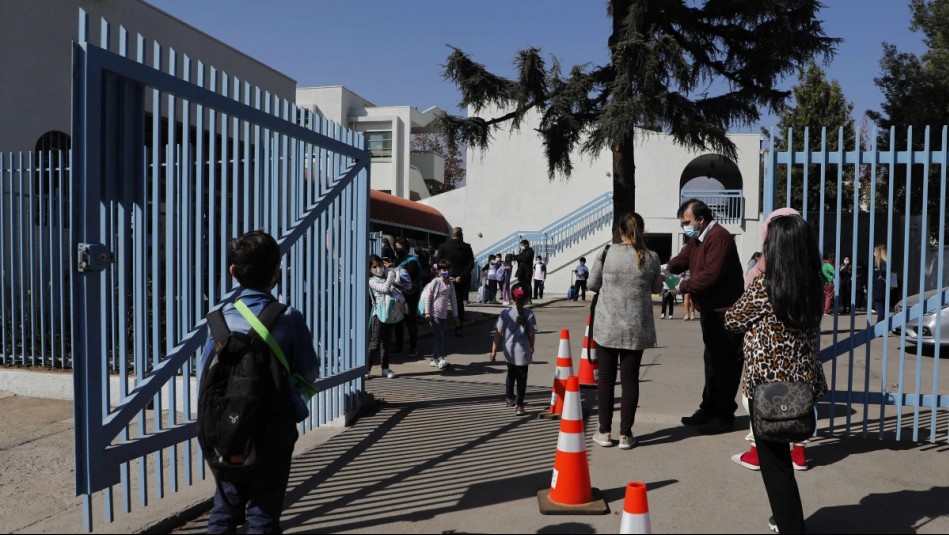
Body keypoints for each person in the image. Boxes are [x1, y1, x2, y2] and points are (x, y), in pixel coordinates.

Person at [201, 230, 319, 534]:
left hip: (225, 430)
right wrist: (290, 398)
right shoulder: (289, 317)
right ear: (276, 271)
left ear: (233, 272)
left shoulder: (218, 320)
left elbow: (206, 374)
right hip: (272, 431)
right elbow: (309, 372)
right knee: (263, 513)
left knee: (224, 506)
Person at [724, 214, 827, 534]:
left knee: (775, 464)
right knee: (782, 460)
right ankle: (785, 518)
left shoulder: (764, 288)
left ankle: (790, 524)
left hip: (767, 389)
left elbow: (731, 320)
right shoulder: (814, 287)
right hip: (801, 386)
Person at [733, 207, 810, 472]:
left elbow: (733, 318)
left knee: (766, 421)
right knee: (799, 406)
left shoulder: (764, 281)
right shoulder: (813, 278)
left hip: (767, 369)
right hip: (802, 366)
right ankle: (799, 452)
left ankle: (758, 455)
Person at [666, 199, 744, 435]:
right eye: (682, 223)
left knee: (726, 365)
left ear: (701, 219)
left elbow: (711, 276)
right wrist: (665, 267)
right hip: (711, 311)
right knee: (712, 363)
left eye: (687, 222)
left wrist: (682, 287)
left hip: (726, 312)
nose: (685, 227)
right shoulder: (697, 239)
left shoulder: (719, 238)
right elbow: (683, 258)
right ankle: (708, 408)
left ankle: (723, 415)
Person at [588, 212, 662, 449]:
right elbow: (657, 288)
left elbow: (592, 284)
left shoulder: (607, 253)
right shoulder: (651, 257)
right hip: (636, 327)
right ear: (641, 230)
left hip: (607, 326)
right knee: (630, 380)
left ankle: (604, 432)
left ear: (620, 231)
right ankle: (625, 435)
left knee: (606, 380)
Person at [489, 283, 537, 416]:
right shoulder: (529, 314)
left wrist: (493, 350)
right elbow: (532, 334)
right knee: (522, 378)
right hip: (522, 351)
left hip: (508, 351)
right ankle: (519, 405)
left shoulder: (505, 313)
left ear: (511, 296)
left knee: (511, 374)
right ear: (527, 298)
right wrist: (532, 346)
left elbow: (498, 332)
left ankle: (509, 398)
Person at [422, 258, 461, 369]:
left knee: (440, 336)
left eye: (448, 269)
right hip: (434, 314)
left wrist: (455, 316)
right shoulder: (435, 282)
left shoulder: (450, 284)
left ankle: (434, 359)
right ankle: (440, 358)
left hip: (443, 314)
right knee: (440, 336)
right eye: (443, 269)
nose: (446, 272)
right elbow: (428, 298)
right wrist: (427, 313)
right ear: (438, 271)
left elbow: (453, 300)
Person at [436, 228, 475, 336]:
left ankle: (439, 327)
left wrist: (446, 276)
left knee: (441, 302)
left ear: (451, 235)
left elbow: (439, 263)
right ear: (461, 235)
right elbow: (471, 264)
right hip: (461, 280)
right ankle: (458, 327)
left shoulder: (443, 246)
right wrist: (461, 276)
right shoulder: (467, 247)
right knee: (458, 304)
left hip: (445, 279)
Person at [368, 255, 399, 379]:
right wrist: (390, 274)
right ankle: (367, 369)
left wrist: (391, 270)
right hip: (379, 314)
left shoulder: (387, 274)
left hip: (390, 313)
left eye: (380, 265)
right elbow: (385, 289)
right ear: (370, 269)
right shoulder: (372, 281)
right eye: (374, 267)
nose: (378, 268)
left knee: (386, 343)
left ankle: (385, 369)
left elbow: (399, 280)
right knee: (375, 343)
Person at [391, 237, 421, 358]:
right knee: (398, 322)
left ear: (406, 249)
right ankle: (399, 346)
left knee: (410, 322)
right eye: (396, 248)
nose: (397, 250)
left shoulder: (412, 261)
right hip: (398, 296)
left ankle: (413, 348)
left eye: (400, 248)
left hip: (409, 297)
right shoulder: (398, 260)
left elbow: (407, 279)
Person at [872, 244, 889, 318]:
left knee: (881, 311)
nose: (874, 253)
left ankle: (879, 327)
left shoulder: (881, 263)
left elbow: (884, 271)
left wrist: (881, 276)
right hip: (881, 289)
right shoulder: (883, 263)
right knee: (882, 310)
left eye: (875, 252)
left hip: (880, 289)